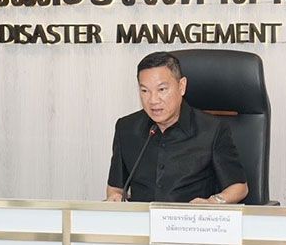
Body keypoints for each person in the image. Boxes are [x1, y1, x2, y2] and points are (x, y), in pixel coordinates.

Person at [106, 51, 248, 204]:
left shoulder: (213, 130)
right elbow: (116, 188)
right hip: (143, 218)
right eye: (145, 91)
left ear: (181, 86)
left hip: (190, 218)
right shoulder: (126, 128)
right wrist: (115, 198)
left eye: (162, 89)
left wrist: (212, 202)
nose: (153, 100)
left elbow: (239, 187)